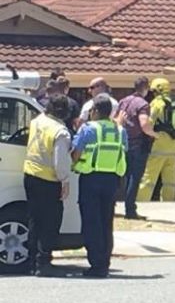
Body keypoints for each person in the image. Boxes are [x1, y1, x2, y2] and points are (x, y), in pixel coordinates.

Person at [72, 94, 128, 278]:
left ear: (95, 111)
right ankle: (104, 262)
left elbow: (76, 153)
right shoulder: (120, 131)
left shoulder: (88, 129)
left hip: (90, 178)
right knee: (106, 222)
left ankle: (96, 265)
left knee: (91, 222)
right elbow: (124, 151)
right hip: (112, 180)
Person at [23, 94, 72, 277]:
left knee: (34, 220)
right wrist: (65, 181)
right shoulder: (60, 131)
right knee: (50, 223)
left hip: (30, 174)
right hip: (49, 181)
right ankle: (44, 263)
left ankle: (32, 261)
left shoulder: (37, 121)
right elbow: (60, 162)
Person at [117, 77, 158, 220]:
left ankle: (124, 207)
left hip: (124, 143)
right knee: (135, 178)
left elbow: (117, 121)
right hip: (138, 145)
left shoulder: (124, 101)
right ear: (145, 87)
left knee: (125, 176)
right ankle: (130, 210)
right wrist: (155, 134)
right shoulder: (143, 104)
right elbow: (144, 125)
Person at [137, 77, 175, 202]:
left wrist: (151, 136)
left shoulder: (156, 104)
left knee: (149, 179)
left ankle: (141, 203)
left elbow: (149, 123)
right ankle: (168, 204)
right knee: (169, 181)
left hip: (158, 148)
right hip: (173, 149)